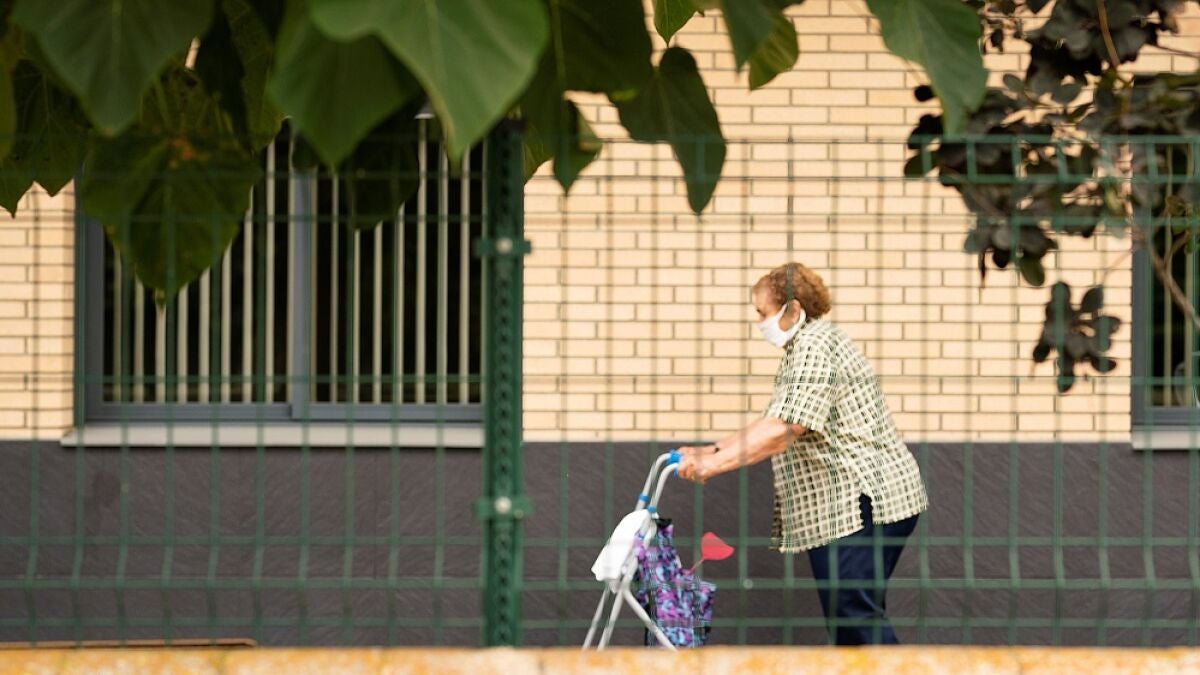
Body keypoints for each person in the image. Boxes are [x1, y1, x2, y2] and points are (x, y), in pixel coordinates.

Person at [676, 262, 928, 645]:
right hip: (861, 501)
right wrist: (710, 450)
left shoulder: (814, 347)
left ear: (792, 309)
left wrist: (712, 465)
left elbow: (785, 428)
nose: (758, 322)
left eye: (762, 312)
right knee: (851, 615)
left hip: (864, 501)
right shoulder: (810, 345)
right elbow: (773, 420)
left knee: (854, 614)